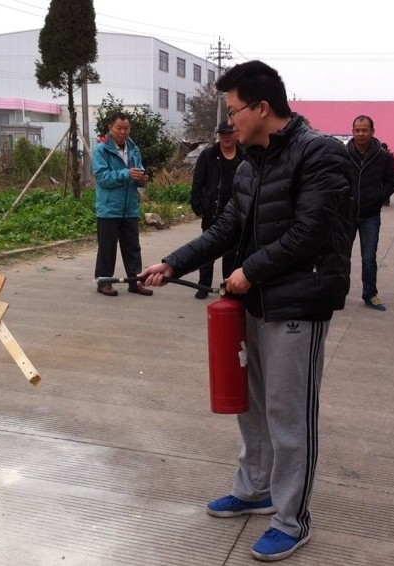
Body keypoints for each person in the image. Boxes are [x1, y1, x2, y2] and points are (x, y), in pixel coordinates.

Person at [139, 60, 354, 562]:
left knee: (288, 414)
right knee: (252, 407)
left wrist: (251, 271)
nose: (229, 120)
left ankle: (291, 518)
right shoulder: (249, 163)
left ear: (261, 107)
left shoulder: (319, 154)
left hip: (298, 301)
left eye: (233, 109)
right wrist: (173, 263)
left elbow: (311, 233)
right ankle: (255, 488)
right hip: (252, 304)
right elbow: (225, 229)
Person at [92, 112, 153, 297]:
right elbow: (102, 177)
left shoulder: (134, 149)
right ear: (110, 128)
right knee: (107, 247)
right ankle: (104, 282)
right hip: (109, 208)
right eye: (118, 128)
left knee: (133, 246)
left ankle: (135, 282)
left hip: (130, 207)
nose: (122, 132)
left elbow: (138, 172)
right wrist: (127, 173)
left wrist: (142, 178)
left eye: (126, 128)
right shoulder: (101, 150)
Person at [345, 116, 394, 311]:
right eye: (357, 130)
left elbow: (391, 182)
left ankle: (370, 294)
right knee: (343, 256)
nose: (360, 134)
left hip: (370, 216)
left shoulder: (383, 157)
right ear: (352, 131)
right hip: (346, 215)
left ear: (372, 131)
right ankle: (340, 292)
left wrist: (378, 197)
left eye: (364, 130)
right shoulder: (343, 154)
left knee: (369, 258)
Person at [189, 120, 245, 299]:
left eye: (229, 133)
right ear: (218, 136)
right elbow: (197, 183)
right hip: (212, 211)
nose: (226, 137)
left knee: (232, 253)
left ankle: (228, 286)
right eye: (222, 134)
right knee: (207, 249)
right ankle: (203, 286)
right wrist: (198, 207)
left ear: (236, 134)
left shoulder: (244, 157)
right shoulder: (208, 155)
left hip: (236, 214)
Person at [380, 142, 394, 206]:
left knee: (387, 186)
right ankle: (383, 200)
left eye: (382, 148)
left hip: (387, 174)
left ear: (385, 148)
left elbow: (393, 165)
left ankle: (387, 200)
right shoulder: (380, 155)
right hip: (380, 174)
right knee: (381, 187)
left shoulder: (390, 156)